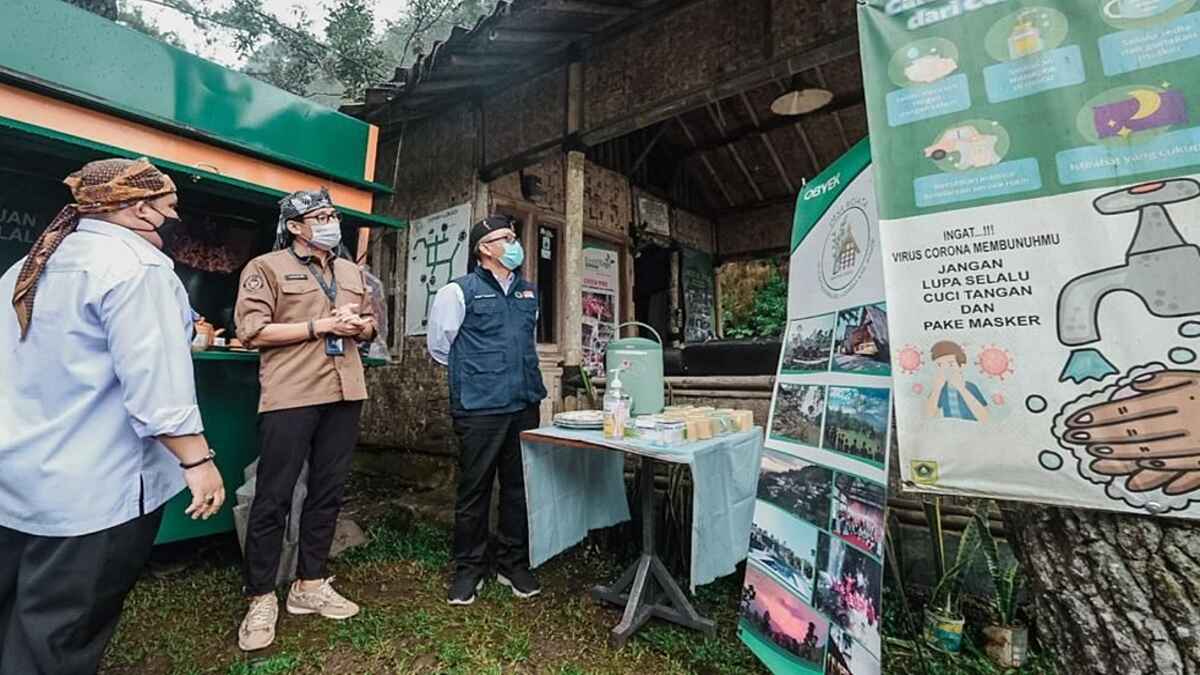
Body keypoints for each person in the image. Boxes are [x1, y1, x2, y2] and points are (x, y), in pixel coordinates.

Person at [0, 157, 225, 674]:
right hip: (93, 490)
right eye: (169, 207)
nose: (174, 219)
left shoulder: (30, 263)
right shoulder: (138, 268)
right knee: (58, 633)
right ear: (138, 208)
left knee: (16, 608)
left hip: (19, 472)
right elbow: (155, 384)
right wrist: (197, 461)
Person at [233, 188, 375, 651]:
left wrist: (358, 325)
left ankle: (309, 584)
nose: (331, 222)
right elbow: (252, 332)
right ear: (295, 226)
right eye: (320, 216)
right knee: (273, 496)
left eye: (333, 214)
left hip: (345, 390)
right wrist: (320, 326)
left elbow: (372, 324)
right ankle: (260, 596)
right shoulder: (266, 268)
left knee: (328, 492)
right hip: (292, 393)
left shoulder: (352, 271)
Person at [427, 215, 547, 606]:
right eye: (506, 238)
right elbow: (441, 347)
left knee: (517, 488)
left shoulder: (528, 292)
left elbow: (526, 340)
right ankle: (469, 569)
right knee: (474, 489)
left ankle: (512, 564)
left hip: (524, 403)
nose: (515, 243)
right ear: (484, 249)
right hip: (480, 407)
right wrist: (482, 374)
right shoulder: (458, 292)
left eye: (515, 237)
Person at [925, 339, 989, 422]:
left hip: (972, 429)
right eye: (940, 365)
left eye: (951, 364)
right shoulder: (941, 390)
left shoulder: (971, 387)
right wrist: (937, 389)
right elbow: (928, 415)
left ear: (961, 365)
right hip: (952, 430)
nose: (945, 369)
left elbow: (984, 418)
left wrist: (962, 389)